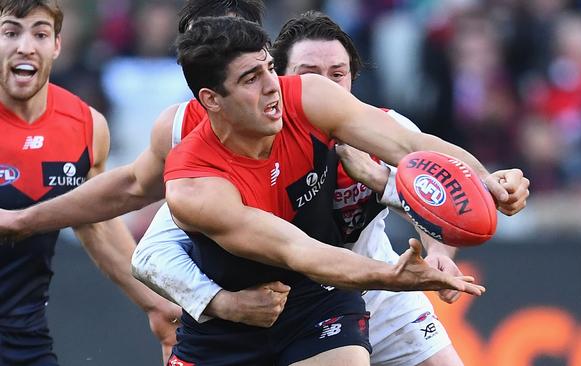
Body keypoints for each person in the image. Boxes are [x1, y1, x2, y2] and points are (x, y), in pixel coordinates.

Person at [133, 11, 507, 366]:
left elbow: (419, 154)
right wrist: (219, 302)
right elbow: (297, 250)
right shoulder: (194, 181)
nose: (271, 88)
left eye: (267, 69)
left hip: (322, 297)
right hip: (233, 324)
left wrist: (487, 181)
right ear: (211, 99)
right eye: (251, 79)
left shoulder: (312, 99)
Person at [0, 1, 180, 364]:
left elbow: (94, 220)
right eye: (10, 32)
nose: (25, 46)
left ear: (57, 45)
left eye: (39, 33)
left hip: (24, 342)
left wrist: (155, 303)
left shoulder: (85, 126)